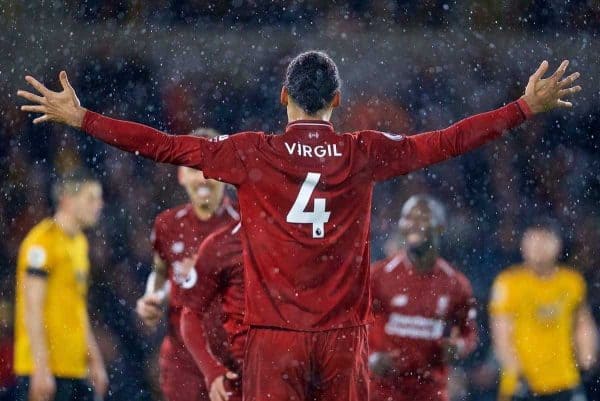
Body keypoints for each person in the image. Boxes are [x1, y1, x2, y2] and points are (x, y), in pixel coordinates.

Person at [17, 51, 580, 401]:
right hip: (341, 340)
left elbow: (163, 147)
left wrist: (83, 118)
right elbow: (448, 140)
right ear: (337, 100)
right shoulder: (363, 151)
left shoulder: (251, 154)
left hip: (272, 342)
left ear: (285, 96)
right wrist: (522, 108)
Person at [134, 128, 239, 401]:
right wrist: (152, 297)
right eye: (193, 169)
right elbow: (159, 273)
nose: (202, 177)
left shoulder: (245, 224)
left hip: (233, 359)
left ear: (226, 174)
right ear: (181, 175)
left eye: (210, 169)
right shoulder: (167, 225)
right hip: (183, 360)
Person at [369, 195, 477, 401]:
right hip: (382, 391)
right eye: (407, 218)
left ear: (440, 227)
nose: (413, 224)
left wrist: (458, 348)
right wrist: (369, 358)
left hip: (430, 392)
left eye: (422, 218)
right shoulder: (378, 277)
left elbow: (469, 333)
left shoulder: (455, 284)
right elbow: (350, 329)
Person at [13, 172, 108, 401]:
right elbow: (32, 308)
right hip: (45, 370)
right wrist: (41, 367)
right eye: (91, 198)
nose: (99, 205)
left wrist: (94, 360)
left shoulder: (80, 244)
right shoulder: (42, 242)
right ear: (67, 200)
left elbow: (77, 307)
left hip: (73, 367)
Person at [490, 220, 598, 401]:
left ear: (557, 244)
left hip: (564, 381)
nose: (538, 247)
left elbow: (583, 323)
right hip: (522, 386)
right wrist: (516, 370)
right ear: (523, 244)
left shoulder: (571, 282)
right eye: (532, 241)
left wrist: (587, 356)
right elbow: (501, 334)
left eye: (544, 240)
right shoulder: (509, 283)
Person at [178, 221, 246, 401]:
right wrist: (212, 370)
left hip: (292, 369)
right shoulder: (220, 245)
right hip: (240, 375)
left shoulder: (297, 239)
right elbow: (190, 313)